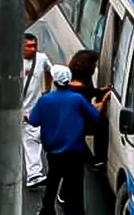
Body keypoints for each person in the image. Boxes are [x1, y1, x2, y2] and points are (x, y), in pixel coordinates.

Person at [29, 65, 109, 215]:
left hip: (54, 152)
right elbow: (95, 116)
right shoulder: (77, 99)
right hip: (75, 150)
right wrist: (102, 102)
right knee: (76, 185)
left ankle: (47, 210)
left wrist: (27, 115)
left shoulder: (45, 100)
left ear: (54, 80)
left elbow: (34, 121)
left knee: (52, 182)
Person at [22, 33, 52, 188]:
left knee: (31, 139)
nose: (33, 49)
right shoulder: (13, 61)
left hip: (32, 109)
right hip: (13, 109)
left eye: (35, 45)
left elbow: (51, 72)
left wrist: (47, 91)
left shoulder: (42, 59)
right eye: (29, 46)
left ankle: (34, 174)